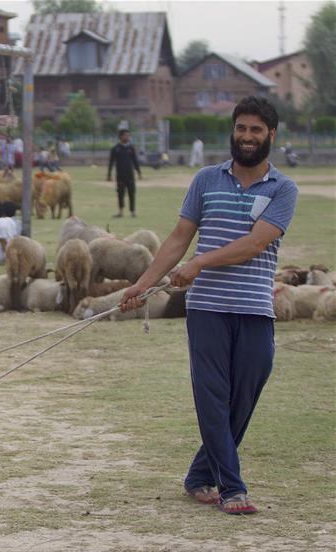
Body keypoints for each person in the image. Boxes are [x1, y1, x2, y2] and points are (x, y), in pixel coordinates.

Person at [119, 96, 298, 516]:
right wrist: (141, 286)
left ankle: (199, 475)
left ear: (271, 135)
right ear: (232, 131)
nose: (247, 137)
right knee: (212, 396)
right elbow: (179, 237)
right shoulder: (206, 179)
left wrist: (200, 262)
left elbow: (255, 244)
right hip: (208, 308)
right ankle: (232, 487)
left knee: (243, 398)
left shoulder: (284, 189)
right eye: (241, 128)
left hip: (255, 307)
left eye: (256, 130)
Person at [107, 128, 142, 218]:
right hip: (120, 176)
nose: (127, 137)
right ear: (120, 136)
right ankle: (121, 212)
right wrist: (109, 174)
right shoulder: (115, 149)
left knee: (131, 193)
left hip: (130, 175)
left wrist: (139, 172)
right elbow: (111, 162)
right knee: (120, 194)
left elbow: (135, 161)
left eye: (128, 135)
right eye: (125, 135)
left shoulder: (131, 148)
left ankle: (133, 212)